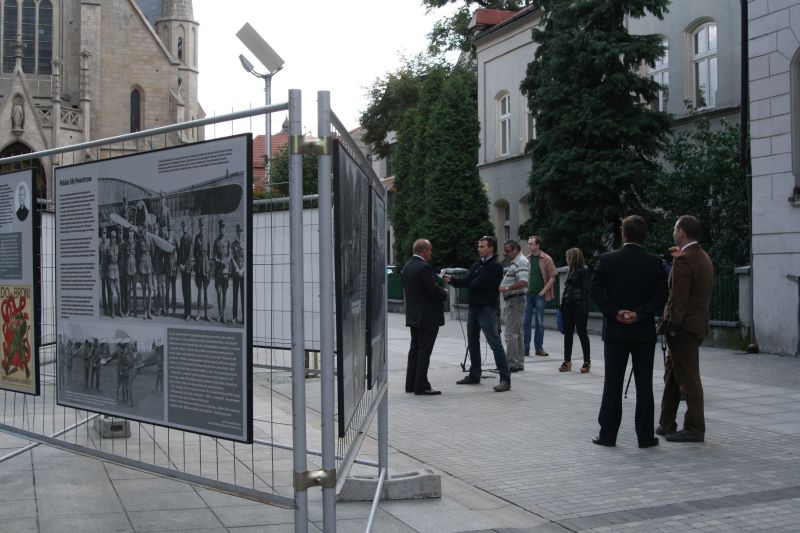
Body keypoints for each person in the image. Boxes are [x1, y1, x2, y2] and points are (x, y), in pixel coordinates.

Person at [590, 215, 667, 448]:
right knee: (644, 385)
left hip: (615, 332)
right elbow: (661, 294)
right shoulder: (654, 263)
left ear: (623, 233)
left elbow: (596, 291)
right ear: (644, 235)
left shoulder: (606, 259)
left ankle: (608, 434)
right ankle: (645, 436)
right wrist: (639, 313)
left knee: (612, 383)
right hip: (642, 331)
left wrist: (616, 313)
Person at [657, 215, 714, 443]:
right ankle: (666, 423)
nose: (673, 231)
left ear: (681, 232)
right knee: (673, 372)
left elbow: (677, 299)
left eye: (675, 228)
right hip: (697, 324)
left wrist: (671, 325)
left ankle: (694, 428)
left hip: (683, 327)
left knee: (689, 378)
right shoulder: (702, 256)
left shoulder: (684, 260)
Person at [444, 236, 512, 392]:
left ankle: (505, 379)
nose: (479, 248)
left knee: (495, 343)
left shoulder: (495, 266)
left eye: (482, 246)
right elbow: (466, 281)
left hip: (487, 309)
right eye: (479, 246)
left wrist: (470, 282)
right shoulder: (477, 265)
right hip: (474, 308)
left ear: (491, 248)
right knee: (472, 341)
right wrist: (452, 280)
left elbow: (476, 283)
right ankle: (474, 374)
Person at [401, 239, 448, 396]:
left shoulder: (408, 266)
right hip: (427, 317)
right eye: (430, 250)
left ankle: (411, 383)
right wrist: (444, 292)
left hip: (414, 315)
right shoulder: (424, 267)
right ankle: (421, 385)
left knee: (414, 349)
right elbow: (433, 290)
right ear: (424, 251)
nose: (431, 253)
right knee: (424, 351)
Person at [523, 235, 557, 357]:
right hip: (528, 294)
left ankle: (539, 348)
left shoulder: (546, 259)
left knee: (539, 322)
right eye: (528, 243)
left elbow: (553, 276)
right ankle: (525, 349)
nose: (529, 245)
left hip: (540, 295)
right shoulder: (527, 259)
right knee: (525, 322)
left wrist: (543, 291)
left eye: (531, 243)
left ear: (538, 245)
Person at [559, 248, 592, 373]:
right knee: (568, 334)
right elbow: (566, 290)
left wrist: (583, 307)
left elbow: (586, 291)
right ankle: (567, 361)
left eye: (568, 257)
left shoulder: (584, 271)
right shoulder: (569, 271)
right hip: (568, 306)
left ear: (572, 258)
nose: (566, 260)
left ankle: (587, 361)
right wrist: (562, 306)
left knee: (582, 333)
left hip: (579, 306)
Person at [499, 239, 529, 372]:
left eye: (508, 251)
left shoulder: (521, 261)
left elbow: (523, 281)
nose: (505, 253)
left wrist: (506, 288)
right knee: (518, 333)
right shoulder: (517, 261)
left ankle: (512, 364)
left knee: (511, 334)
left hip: (515, 300)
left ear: (516, 249)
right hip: (516, 300)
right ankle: (518, 362)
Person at [213, 219, 231, 323]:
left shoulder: (227, 241)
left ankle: (223, 315)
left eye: (223, 228)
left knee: (224, 293)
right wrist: (220, 261)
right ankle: (219, 314)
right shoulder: (216, 241)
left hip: (225, 272)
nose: (222, 229)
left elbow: (229, 255)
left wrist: (226, 261)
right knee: (218, 293)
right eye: (220, 228)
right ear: (219, 229)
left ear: (225, 229)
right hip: (218, 271)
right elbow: (214, 256)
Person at [194, 217, 209, 321]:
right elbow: (195, 252)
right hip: (199, 266)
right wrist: (198, 262)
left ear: (204, 227)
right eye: (200, 226)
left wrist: (205, 264)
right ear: (199, 227)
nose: (202, 228)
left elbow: (208, 253)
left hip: (206, 266)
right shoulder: (196, 238)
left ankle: (206, 314)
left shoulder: (207, 237)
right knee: (199, 291)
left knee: (206, 291)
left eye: (203, 226)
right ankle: (199, 313)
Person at [177, 220, 193, 320]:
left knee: (188, 290)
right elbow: (180, 253)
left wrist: (183, 265)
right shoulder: (182, 238)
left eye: (185, 225)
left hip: (187, 268)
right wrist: (179, 264)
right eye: (182, 225)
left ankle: (189, 313)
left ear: (187, 227)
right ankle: (186, 311)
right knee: (184, 290)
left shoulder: (189, 237)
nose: (183, 227)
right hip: (183, 268)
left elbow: (188, 253)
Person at [231, 223, 245, 324]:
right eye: (238, 231)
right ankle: (234, 317)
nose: (240, 233)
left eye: (241, 231)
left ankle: (244, 317)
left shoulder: (244, 244)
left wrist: (242, 270)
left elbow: (247, 258)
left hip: (243, 273)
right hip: (236, 273)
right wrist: (237, 269)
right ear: (236, 232)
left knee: (243, 296)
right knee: (235, 295)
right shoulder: (233, 244)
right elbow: (232, 258)